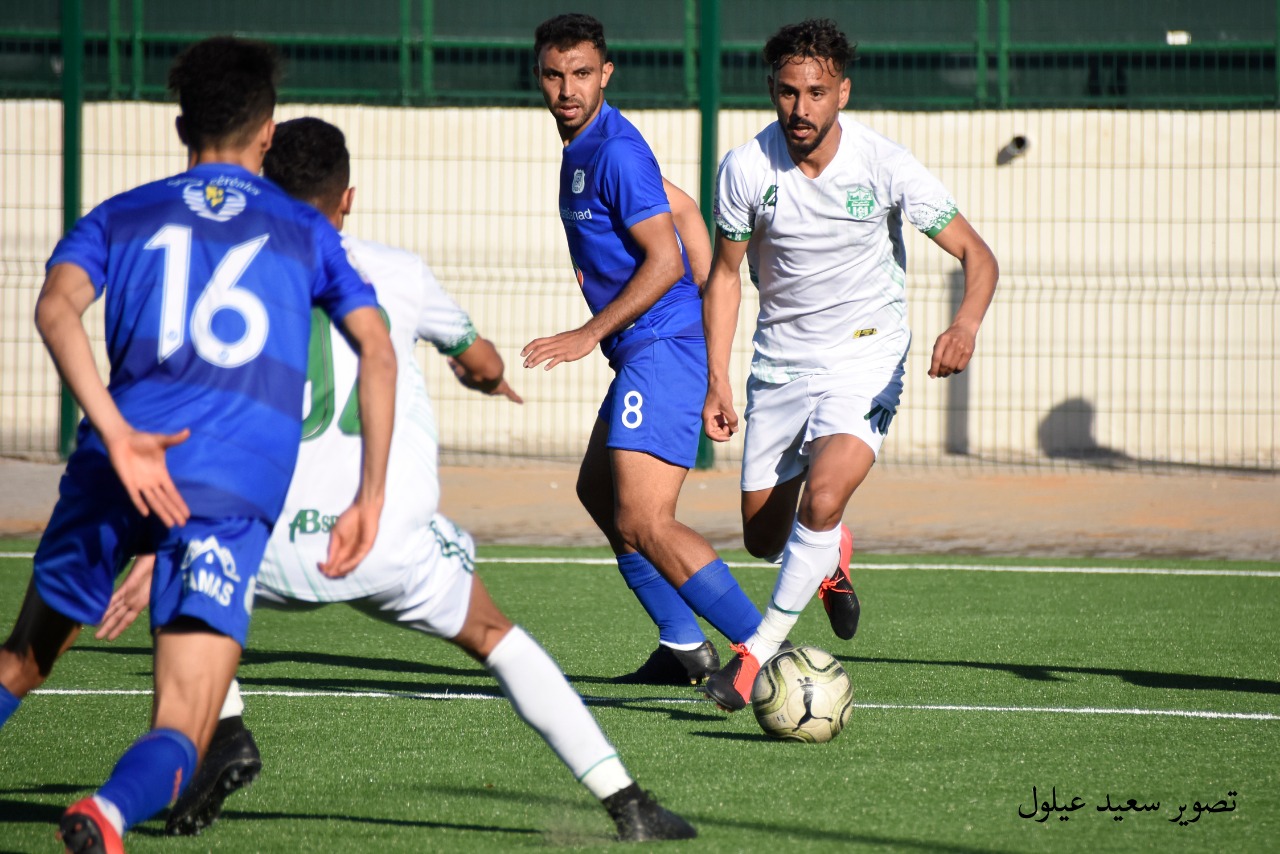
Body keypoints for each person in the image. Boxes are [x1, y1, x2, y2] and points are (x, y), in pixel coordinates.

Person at [99, 117, 697, 843]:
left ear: (262, 189)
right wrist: (485, 375)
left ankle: (222, 731)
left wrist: (161, 545)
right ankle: (626, 801)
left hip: (258, 540)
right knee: (498, 639)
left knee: (182, 600)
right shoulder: (397, 272)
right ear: (346, 199)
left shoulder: (225, 287)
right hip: (380, 536)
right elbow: (478, 358)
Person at [0, 38, 397, 853]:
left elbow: (53, 310)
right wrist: (372, 495)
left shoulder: (123, 212)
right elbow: (378, 351)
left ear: (181, 123)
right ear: (267, 134)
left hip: (117, 462)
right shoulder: (302, 228)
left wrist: (116, 433)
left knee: (20, 664)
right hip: (227, 482)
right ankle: (107, 814)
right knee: (185, 727)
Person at [701, 19, 999, 711]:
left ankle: (755, 657)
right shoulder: (746, 168)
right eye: (786, 92)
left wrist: (965, 324)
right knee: (760, 537)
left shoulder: (884, 163)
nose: (800, 108)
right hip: (779, 366)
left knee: (825, 496)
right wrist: (718, 376)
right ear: (771, 91)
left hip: (867, 356)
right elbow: (724, 276)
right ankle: (829, 558)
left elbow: (977, 256)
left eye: (815, 92)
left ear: (842, 92)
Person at [524, 12, 762, 687]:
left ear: (605, 75)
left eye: (581, 74)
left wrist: (589, 333)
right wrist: (710, 335)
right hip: (652, 347)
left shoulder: (615, 151)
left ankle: (765, 649)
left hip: (658, 346)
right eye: (554, 74)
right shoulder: (589, 146)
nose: (567, 88)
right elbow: (683, 214)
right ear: (539, 76)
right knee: (599, 492)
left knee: (645, 517)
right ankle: (684, 645)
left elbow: (662, 260)